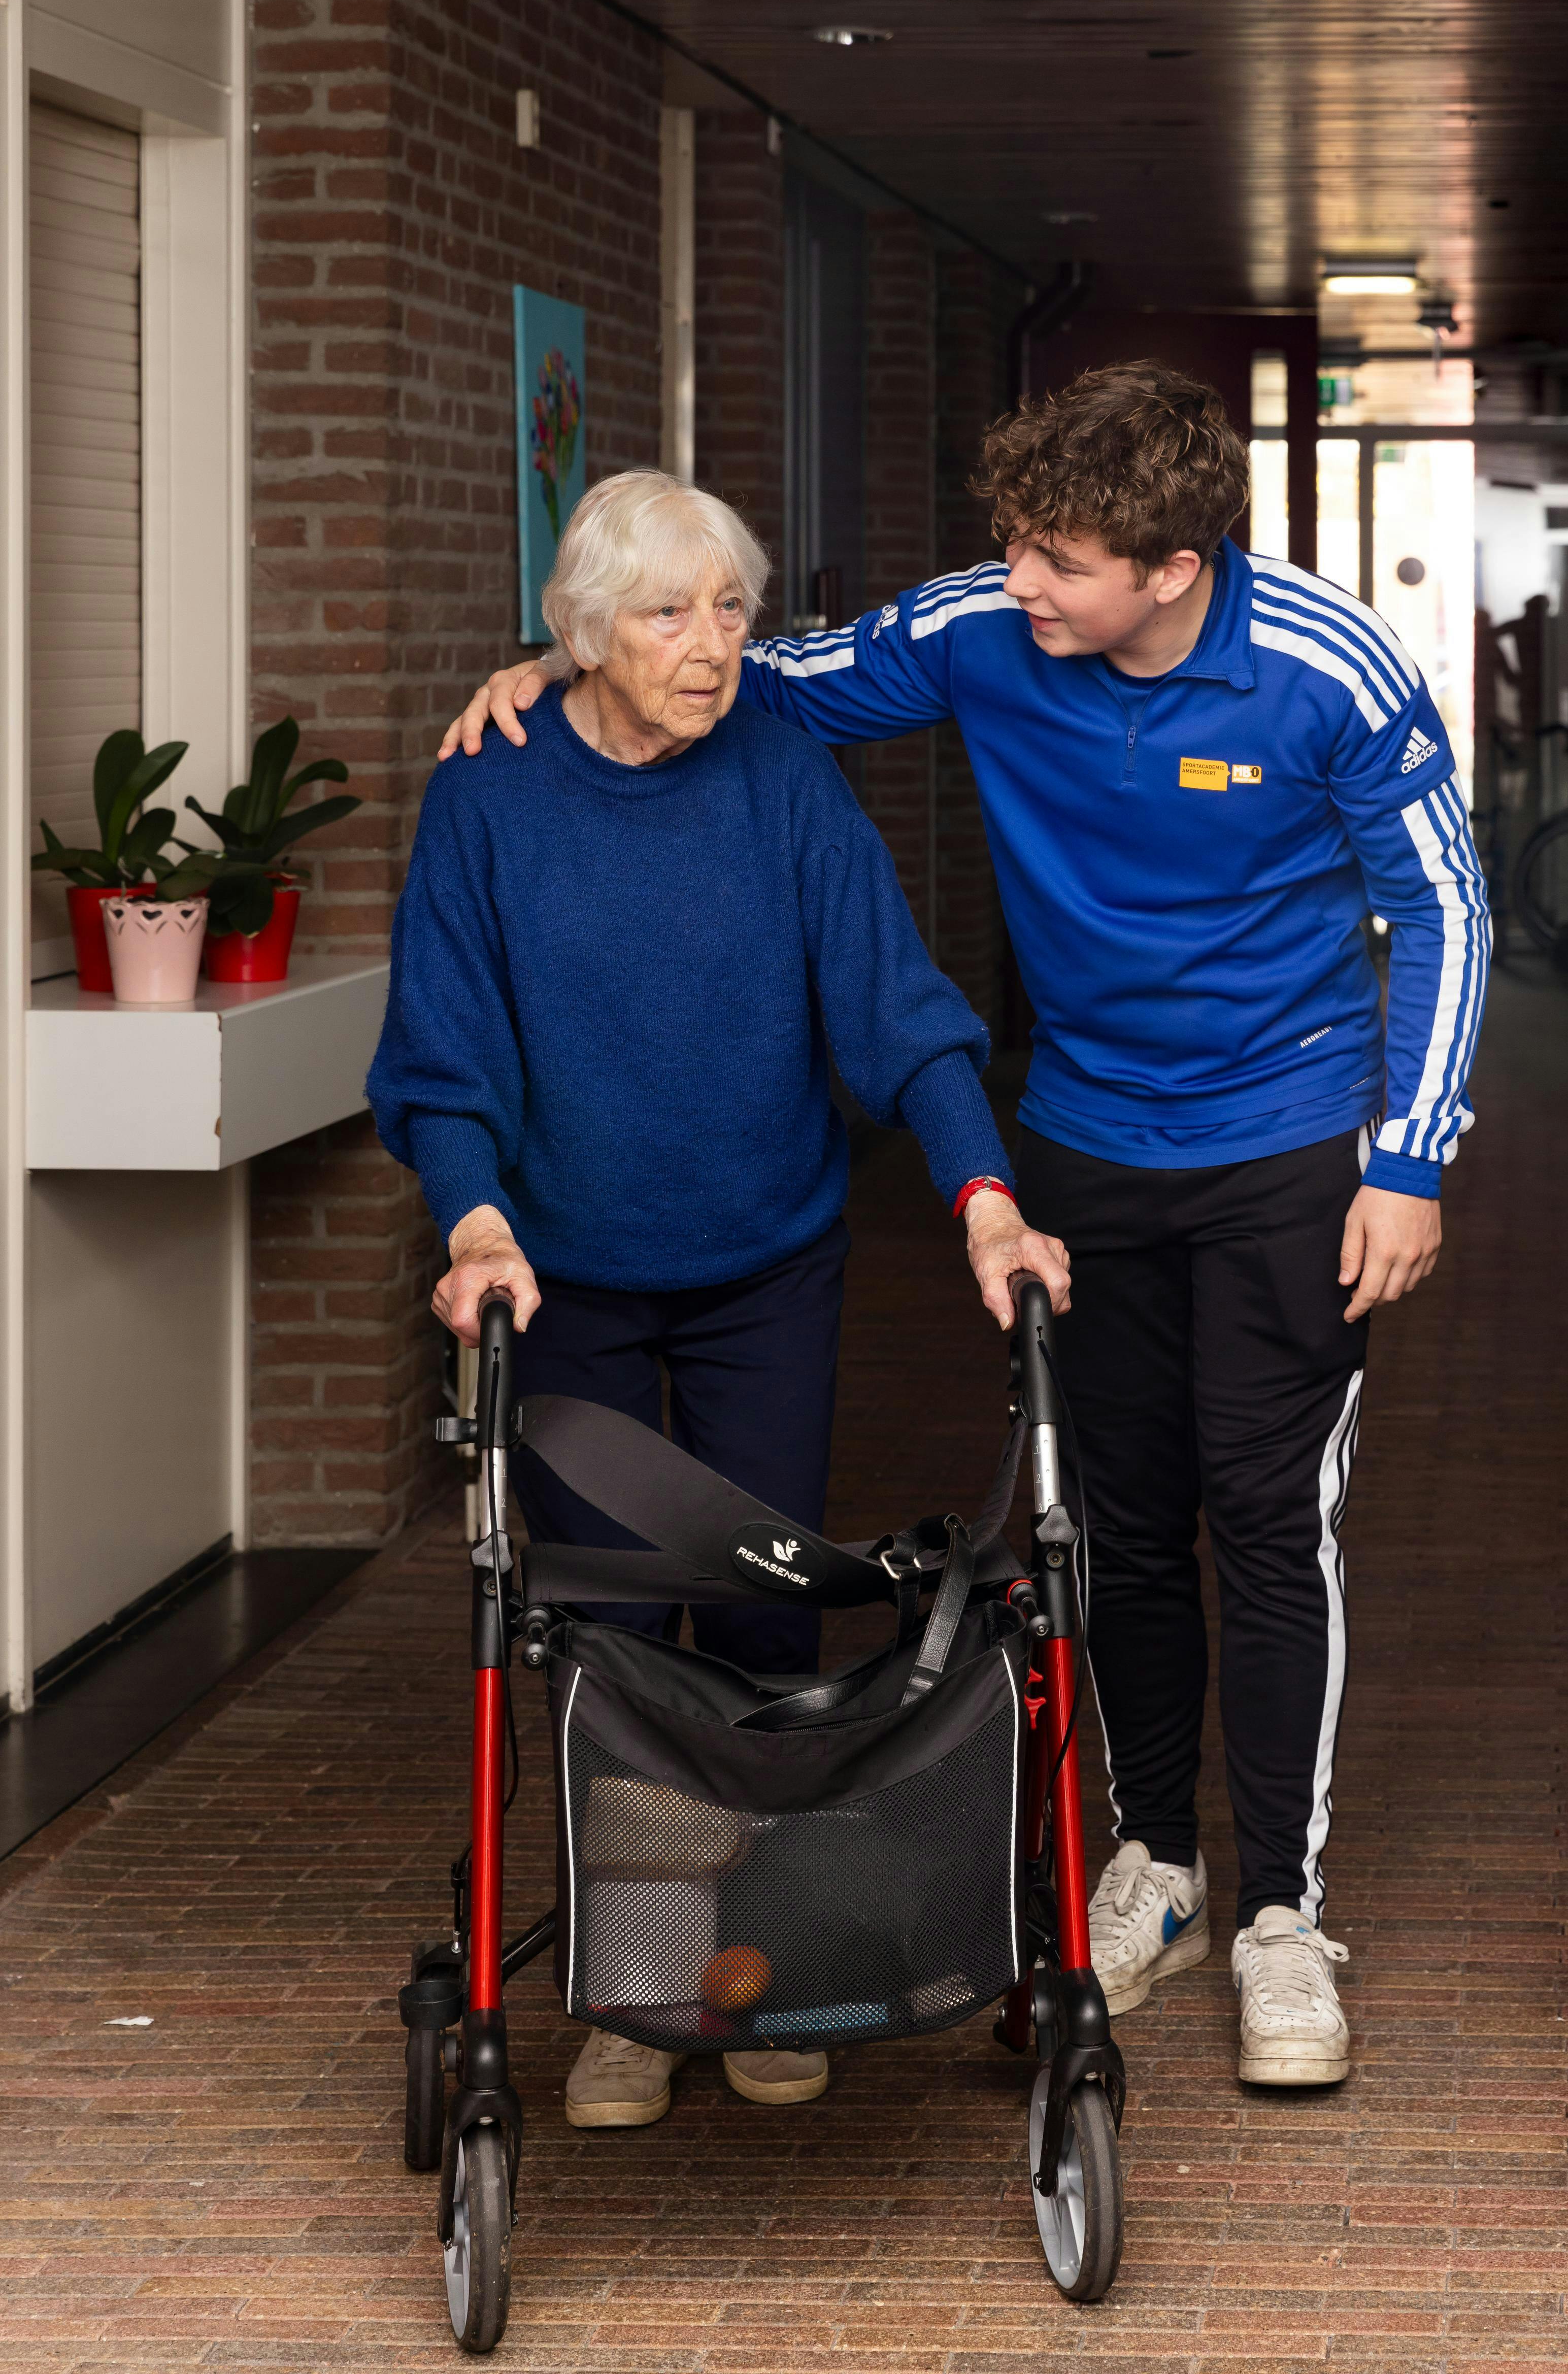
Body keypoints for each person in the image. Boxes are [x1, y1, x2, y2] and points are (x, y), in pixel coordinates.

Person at [442, 363, 1491, 2092]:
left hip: (1291, 1140)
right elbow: (733, 672)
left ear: (1169, 566)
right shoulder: (983, 624)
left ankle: (1288, 1920)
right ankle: (1155, 1861)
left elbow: (1443, 900)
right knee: (1123, 1517)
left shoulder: (1328, 669)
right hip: (1084, 1136)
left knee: (1266, 1514)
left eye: (1057, 560)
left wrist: (1414, 1155)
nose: (1018, 582)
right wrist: (561, 673)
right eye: (1012, 548)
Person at [370, 469, 1068, 2129]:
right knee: (614, 1645)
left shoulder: (780, 770)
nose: (714, 646)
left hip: (766, 1267)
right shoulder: (492, 792)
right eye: (671, 615)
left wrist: (985, 1203)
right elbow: (443, 1057)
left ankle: (764, 1970)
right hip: (568, 1283)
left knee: (763, 1624)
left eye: (736, 608)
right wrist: (474, 1225)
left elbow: (903, 1014)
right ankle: (641, 1989)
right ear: (585, 637)